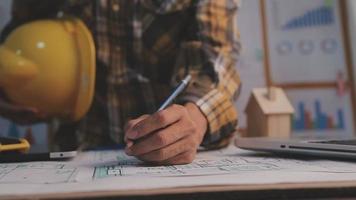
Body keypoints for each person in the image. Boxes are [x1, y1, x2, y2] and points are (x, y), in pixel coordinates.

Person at [0, 0, 241, 165]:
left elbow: (216, 58)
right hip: (74, 156)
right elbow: (13, 45)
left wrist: (195, 119)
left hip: (172, 159)